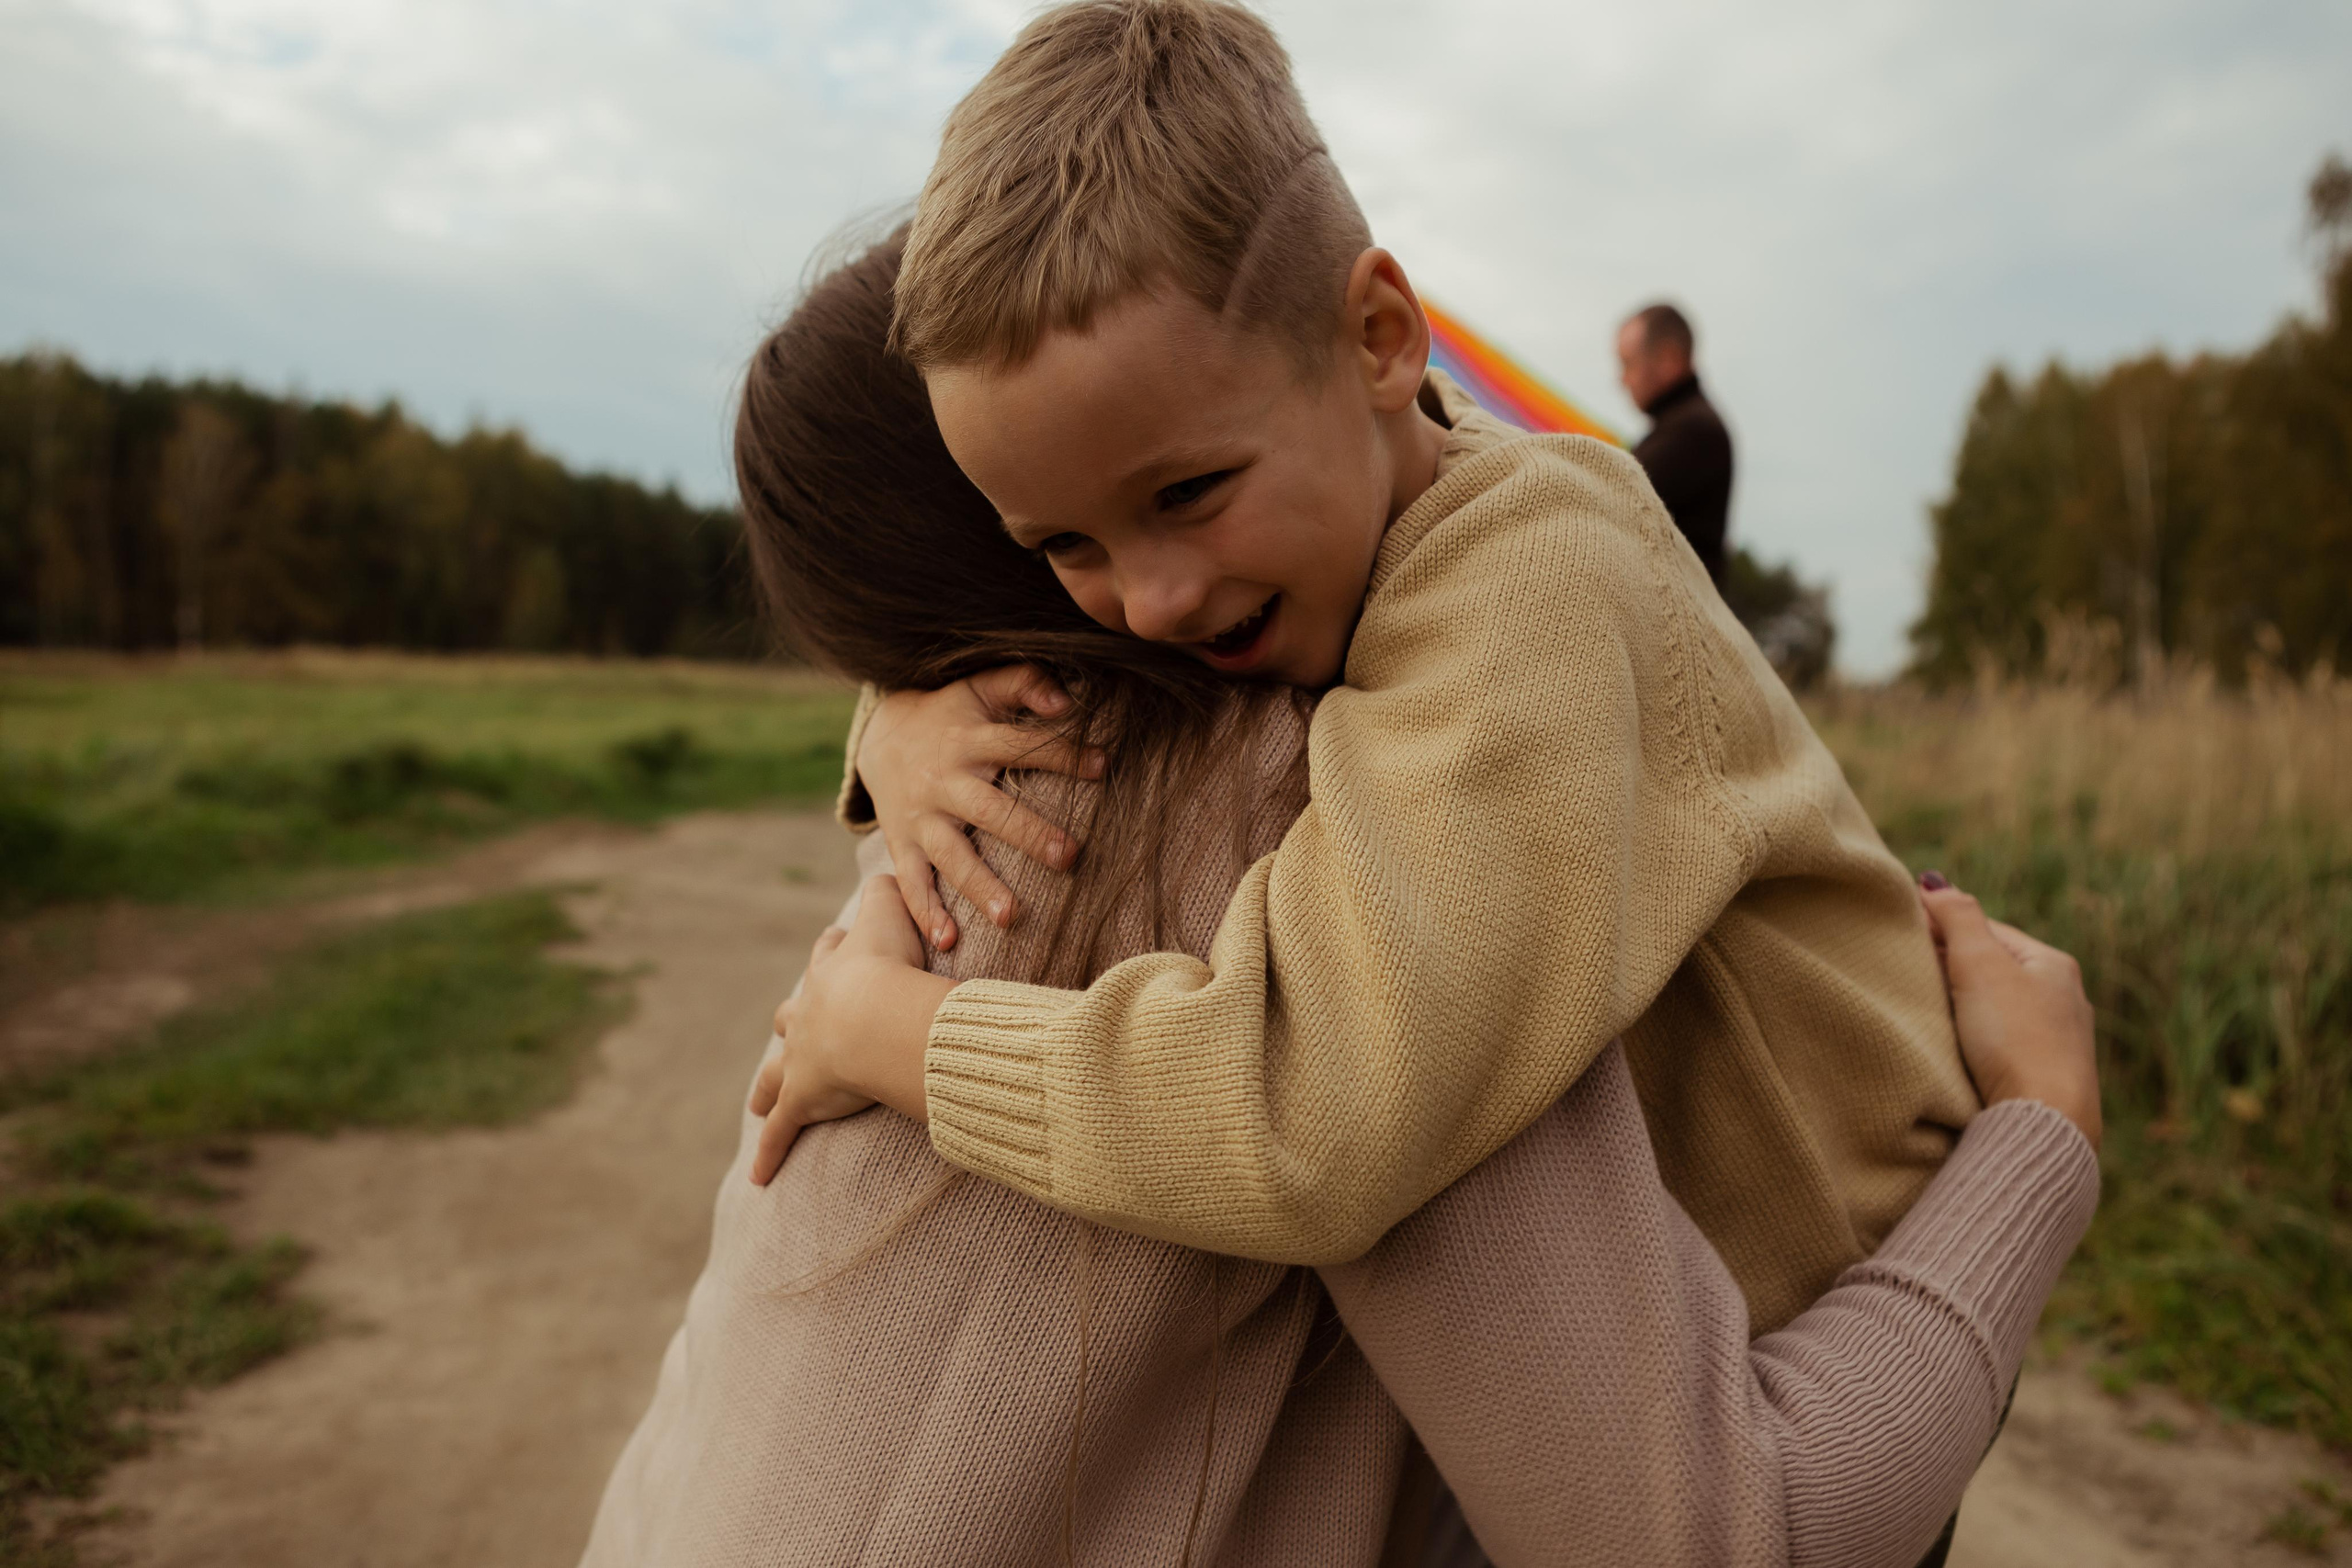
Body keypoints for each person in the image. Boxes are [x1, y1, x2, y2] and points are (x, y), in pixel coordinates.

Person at [582, 230, 2101, 1566]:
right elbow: (1712, 1542)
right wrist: (2038, 1135)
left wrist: (883, 720)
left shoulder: (948, 812)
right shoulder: (1335, 856)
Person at [755, 0, 1971, 1341]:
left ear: (1385, 338)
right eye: (1062, 543)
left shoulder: (1534, 582)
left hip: (1850, 1307)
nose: (1149, 602)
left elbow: (1309, 1110)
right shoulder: (1316, 534)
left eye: (1192, 489)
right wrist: (896, 720)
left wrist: (885, 1027)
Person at [1618, 301, 1735, 587]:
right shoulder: (1685, 424)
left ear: (1669, 359)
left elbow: (1614, 497)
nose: (1622, 381)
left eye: (1628, 364)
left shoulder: (1694, 431)